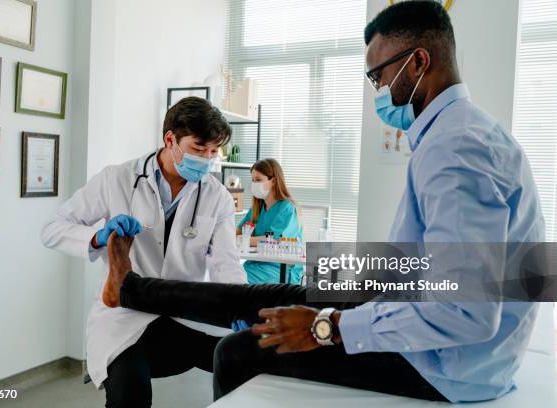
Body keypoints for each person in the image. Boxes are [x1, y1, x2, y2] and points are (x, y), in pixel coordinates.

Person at [99, 1, 545, 404]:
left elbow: (467, 312)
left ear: (419, 63)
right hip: (425, 299)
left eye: (378, 74)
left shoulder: (455, 148)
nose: (376, 89)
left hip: (448, 368)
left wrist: (324, 327)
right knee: (285, 289)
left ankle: (134, 289)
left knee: (236, 351)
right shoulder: (463, 132)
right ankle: (133, 288)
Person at [41, 97, 246, 408]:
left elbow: (226, 263)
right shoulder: (117, 179)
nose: (206, 160)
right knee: (129, 394)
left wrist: (241, 307)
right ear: (170, 139)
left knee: (247, 362)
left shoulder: (216, 196)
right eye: (198, 148)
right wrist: (98, 236)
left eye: (213, 152)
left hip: (186, 313)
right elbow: (53, 229)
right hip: (127, 316)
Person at [236, 158, 304, 284]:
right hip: (254, 264)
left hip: (279, 269)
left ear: (273, 181)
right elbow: (239, 231)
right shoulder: (257, 208)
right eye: (252, 180)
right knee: (224, 275)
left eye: (258, 180)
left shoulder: (287, 208)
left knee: (235, 281)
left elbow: (273, 240)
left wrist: (243, 240)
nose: (254, 184)